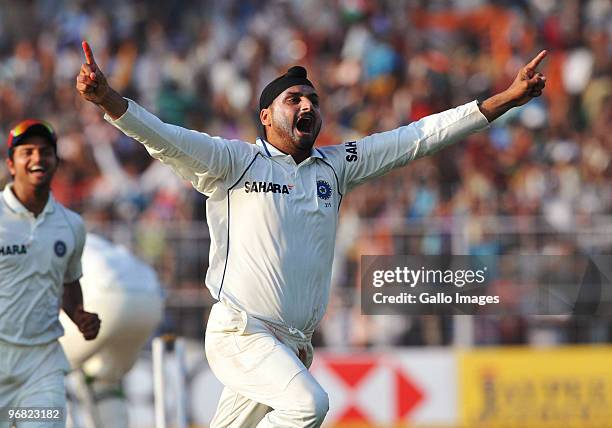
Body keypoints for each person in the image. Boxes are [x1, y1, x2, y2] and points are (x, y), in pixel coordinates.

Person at [76, 40, 547, 427]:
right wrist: (107, 101)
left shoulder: (336, 167)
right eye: (294, 99)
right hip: (242, 332)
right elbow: (161, 136)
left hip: (293, 345)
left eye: (314, 101)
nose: (308, 106)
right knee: (308, 406)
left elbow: (418, 137)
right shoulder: (235, 162)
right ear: (265, 116)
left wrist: (504, 99)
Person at [0, 120, 101, 428]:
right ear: (11, 164)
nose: (37, 159)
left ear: (56, 161)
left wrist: (80, 316)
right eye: (27, 152)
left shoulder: (71, 225)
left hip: (40, 368)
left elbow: (69, 282)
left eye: (45, 152)